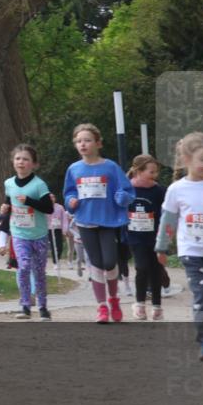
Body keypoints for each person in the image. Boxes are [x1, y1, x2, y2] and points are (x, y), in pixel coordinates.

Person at [155, 132, 203, 362]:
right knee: (202, 294)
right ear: (186, 160)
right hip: (191, 251)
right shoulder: (177, 189)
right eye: (202, 159)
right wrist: (162, 247)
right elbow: (169, 220)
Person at [63, 123, 135, 324]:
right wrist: (71, 201)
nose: (82, 144)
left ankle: (114, 299)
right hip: (86, 221)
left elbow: (127, 190)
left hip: (108, 221)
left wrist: (122, 197)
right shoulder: (74, 169)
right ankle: (101, 306)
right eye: (78, 141)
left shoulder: (110, 167)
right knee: (95, 263)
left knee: (109, 262)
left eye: (87, 140)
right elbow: (69, 192)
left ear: (98, 143)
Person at [3, 144, 55, 320]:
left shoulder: (39, 185)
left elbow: (49, 208)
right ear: (13, 162)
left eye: (25, 159)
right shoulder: (9, 183)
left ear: (34, 164)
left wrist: (30, 201)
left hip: (39, 235)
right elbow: (9, 202)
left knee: (39, 271)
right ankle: (25, 305)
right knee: (23, 267)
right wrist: (5, 207)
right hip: (19, 234)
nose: (21, 162)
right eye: (18, 159)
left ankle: (43, 307)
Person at [124, 154, 167, 321]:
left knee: (156, 270)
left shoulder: (160, 191)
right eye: (151, 172)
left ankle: (157, 306)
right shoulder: (128, 189)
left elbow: (166, 213)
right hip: (135, 236)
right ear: (138, 171)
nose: (155, 175)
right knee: (142, 268)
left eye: (156, 172)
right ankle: (139, 304)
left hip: (155, 236)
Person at [47, 194, 70, 268]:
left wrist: (65, 229)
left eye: (53, 197)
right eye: (50, 197)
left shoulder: (60, 207)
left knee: (59, 246)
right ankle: (55, 262)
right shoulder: (45, 207)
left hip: (58, 229)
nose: (51, 199)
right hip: (49, 229)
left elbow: (64, 219)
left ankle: (58, 259)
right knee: (53, 245)